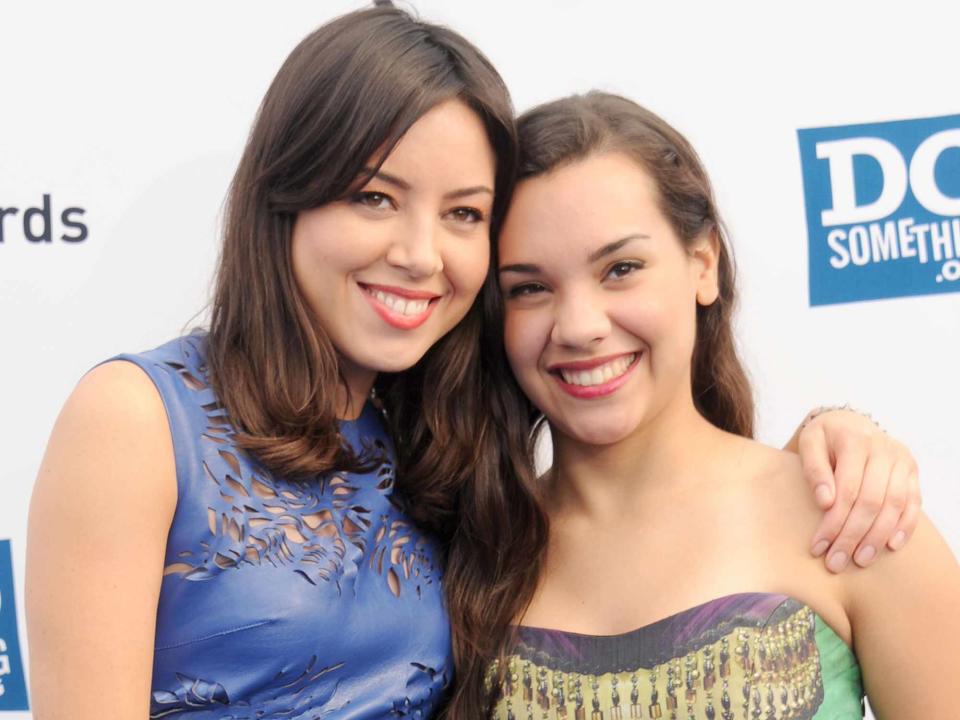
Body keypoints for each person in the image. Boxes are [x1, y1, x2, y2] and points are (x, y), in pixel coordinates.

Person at [25, 6, 922, 719]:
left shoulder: (439, 460)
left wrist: (841, 432)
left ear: (703, 263)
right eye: (375, 196)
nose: (420, 254)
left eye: (462, 214)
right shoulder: (143, 418)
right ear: (285, 194)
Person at [458, 92, 960, 719]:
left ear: (703, 264)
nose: (580, 325)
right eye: (530, 288)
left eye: (621, 268)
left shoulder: (854, 517)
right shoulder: (465, 558)